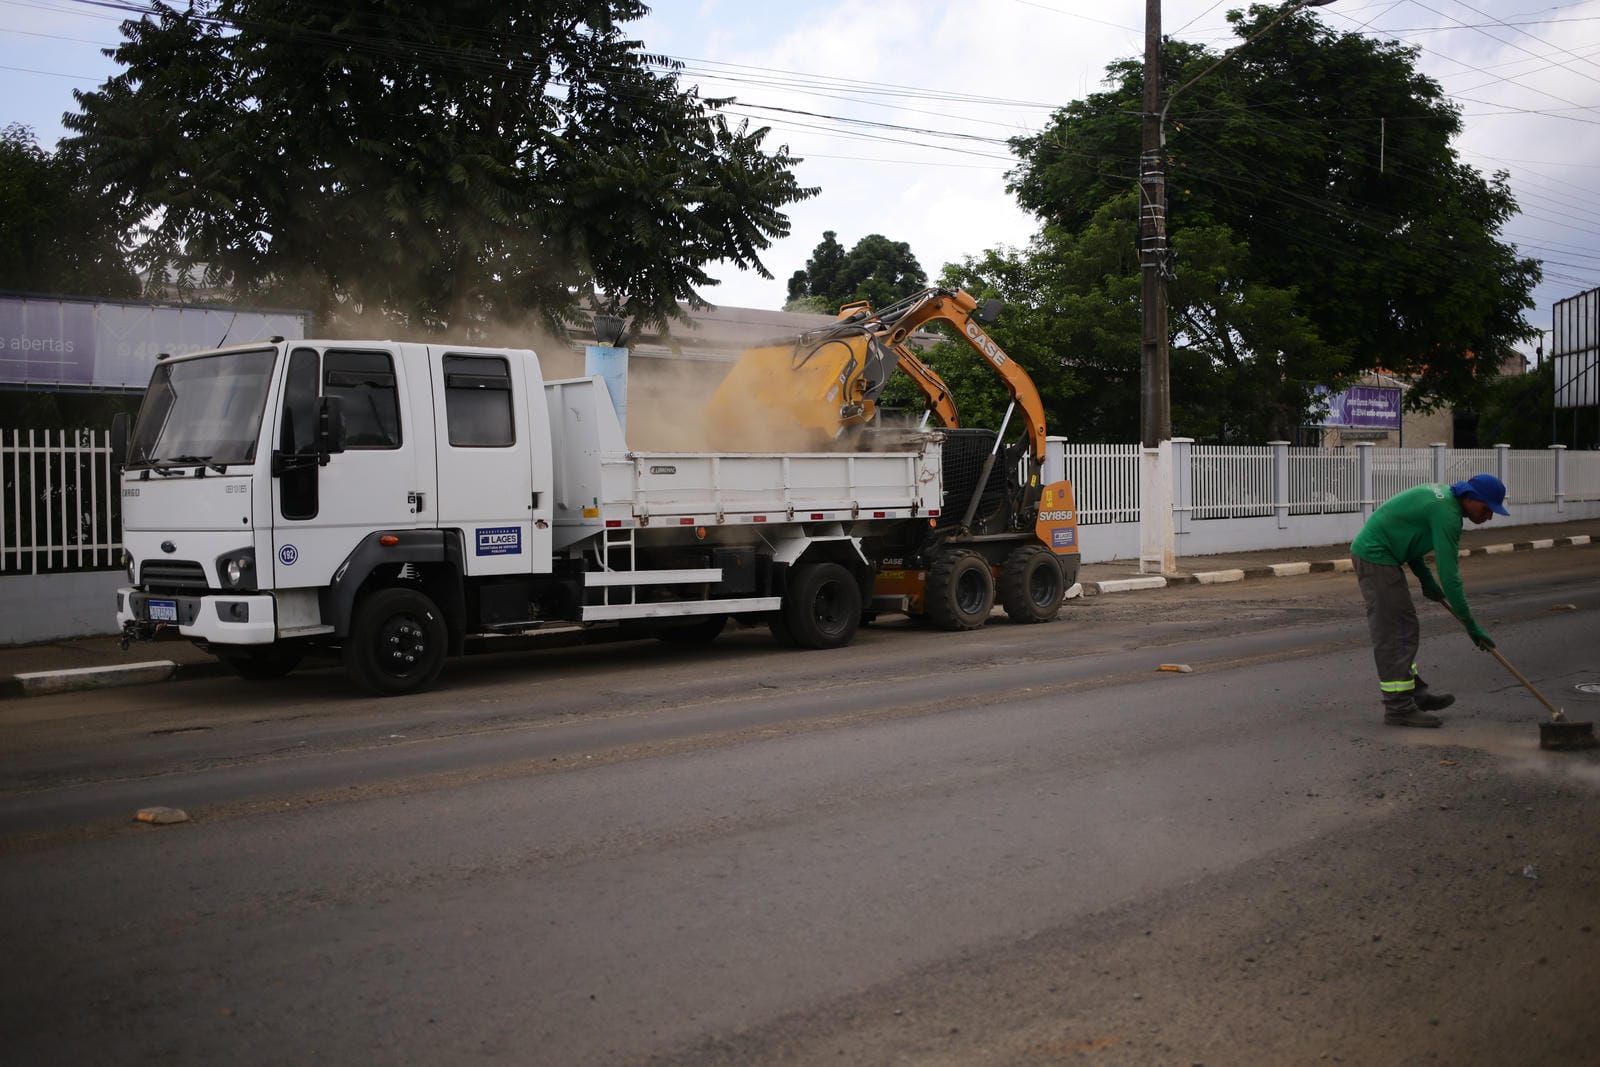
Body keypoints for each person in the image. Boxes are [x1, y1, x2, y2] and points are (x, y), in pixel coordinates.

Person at [1348, 473, 1508, 728]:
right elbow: (1450, 576)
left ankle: (1414, 694)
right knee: (1396, 631)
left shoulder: (1444, 501)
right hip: (1375, 556)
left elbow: (1409, 538)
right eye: (1487, 508)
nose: (1489, 516)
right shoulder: (1447, 515)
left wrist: (1425, 579)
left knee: (1405, 626)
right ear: (1470, 497)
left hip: (1384, 554)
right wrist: (1470, 623)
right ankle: (1398, 708)